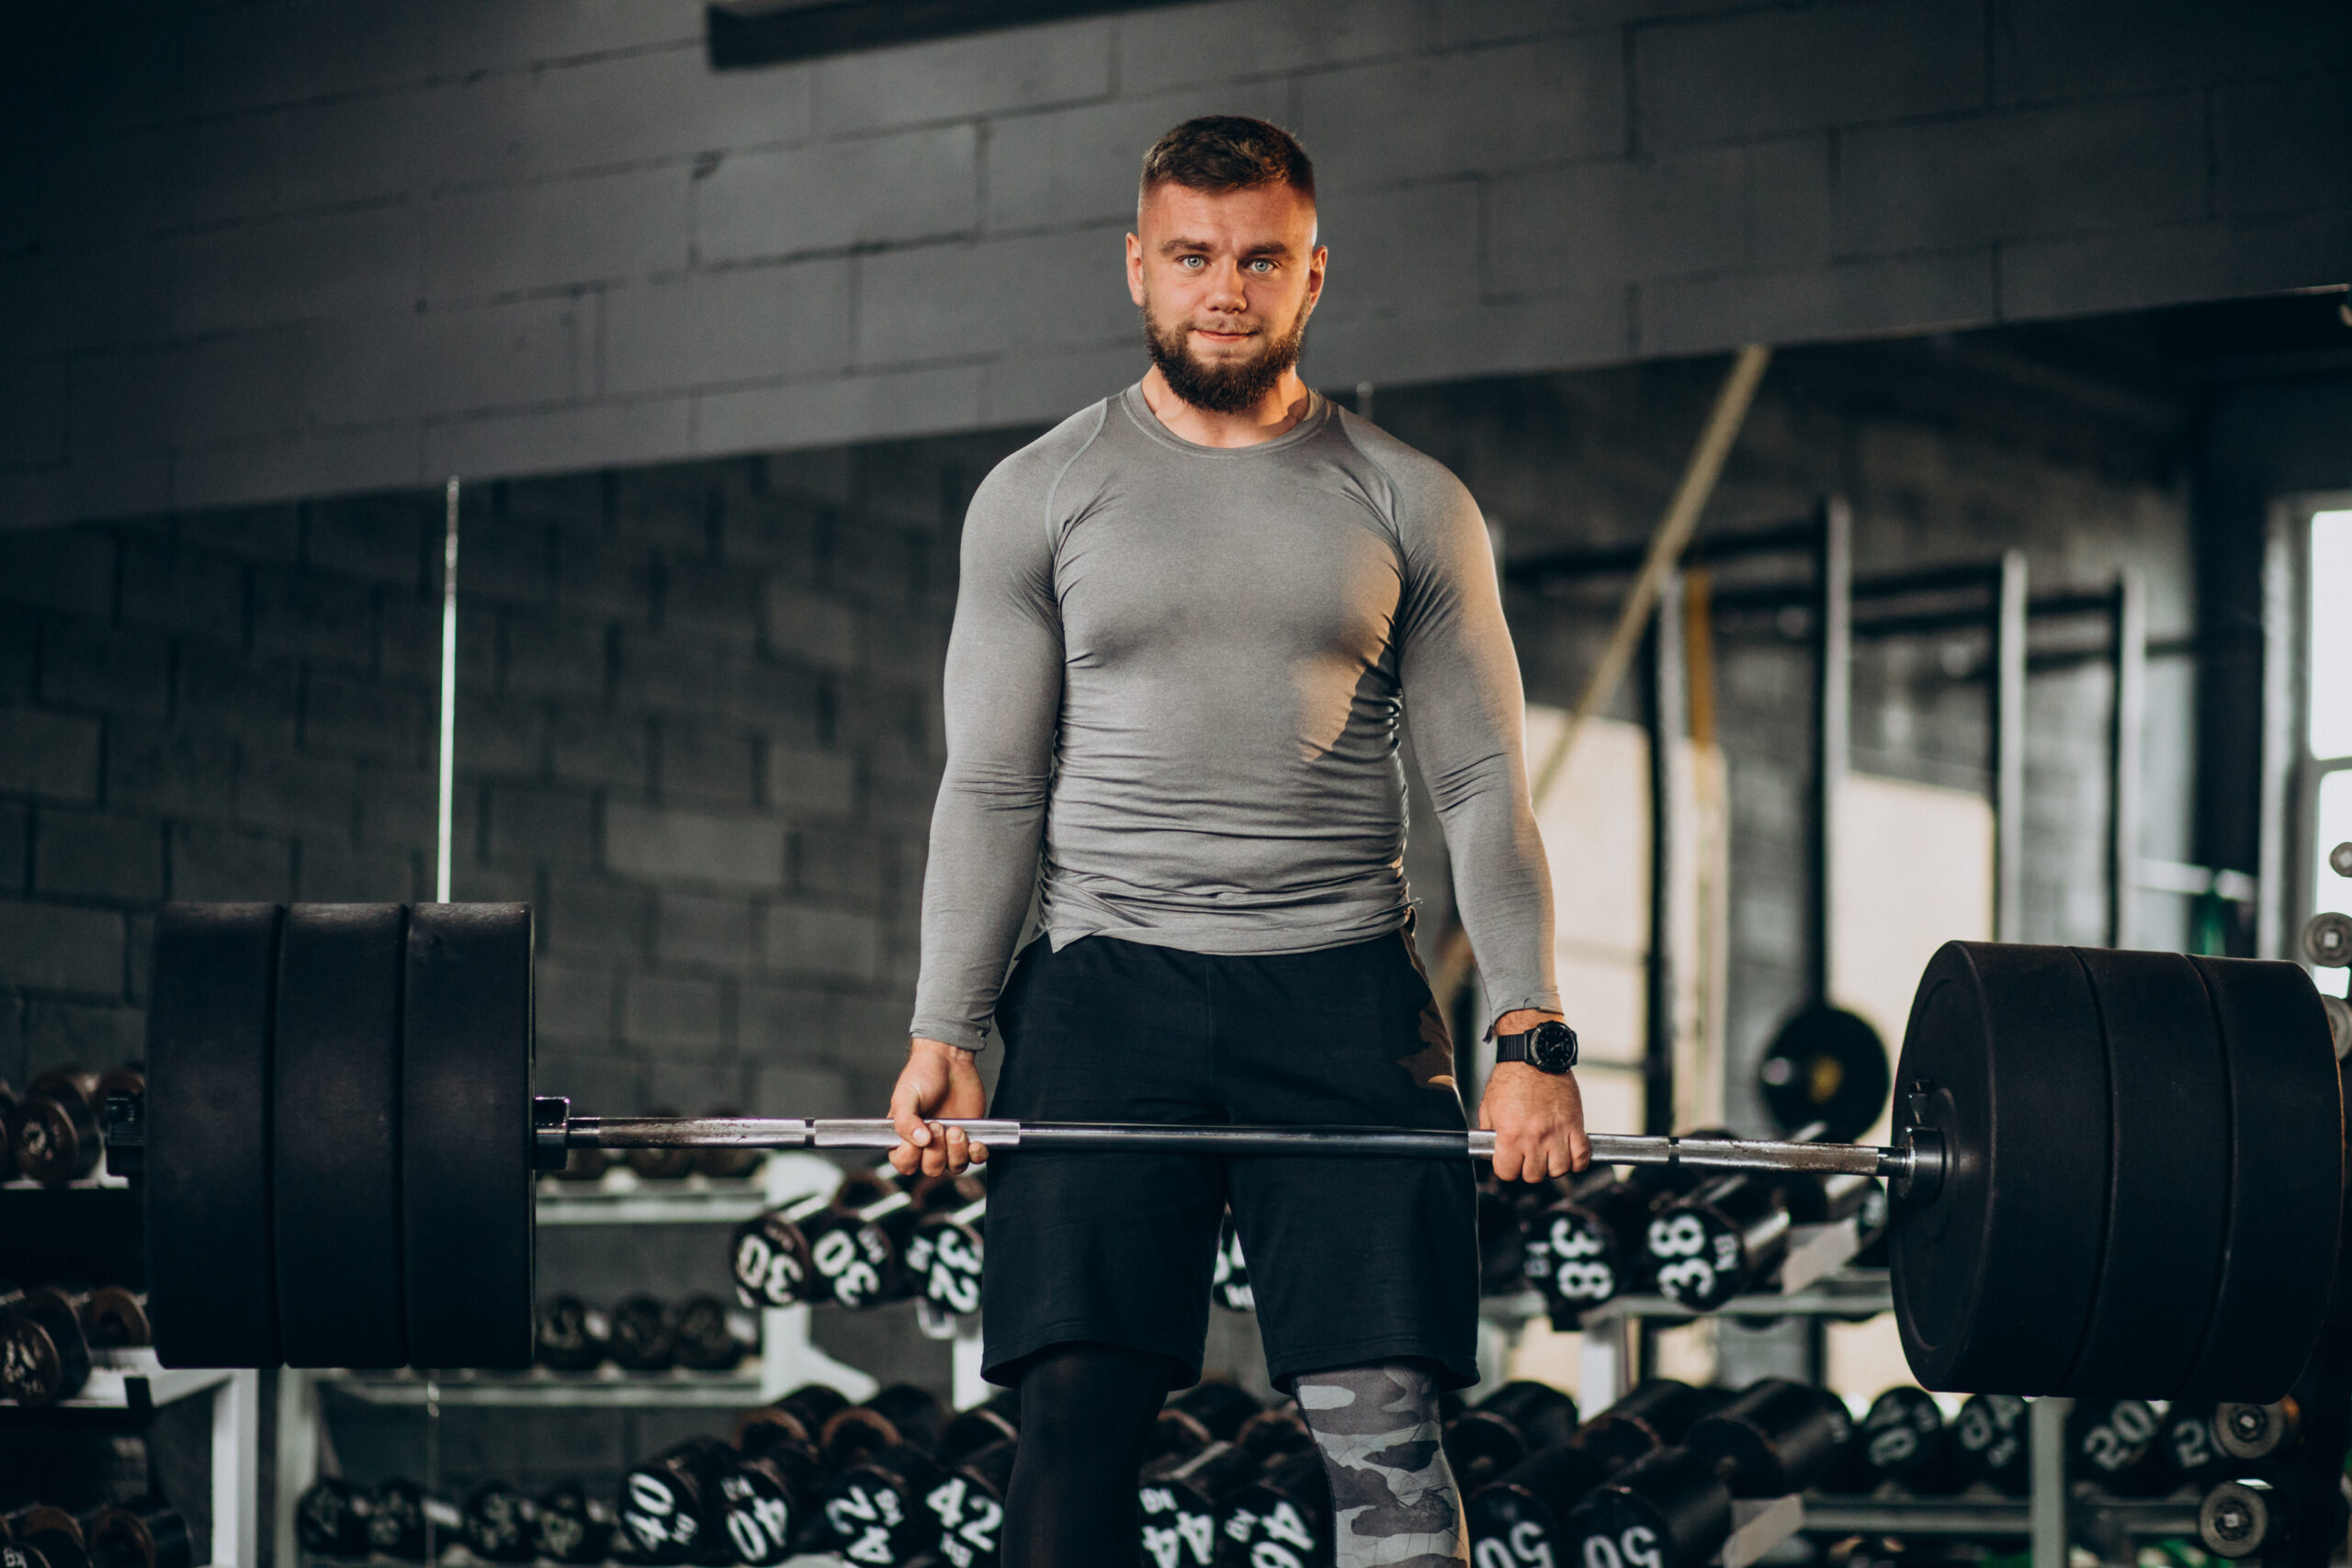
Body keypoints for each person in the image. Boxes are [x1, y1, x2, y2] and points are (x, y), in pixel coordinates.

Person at [885, 115, 1587, 1568]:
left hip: (1339, 996)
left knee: (1384, 1425)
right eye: (1193, 256)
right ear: (1136, 267)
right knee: (1071, 1420)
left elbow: (1478, 783)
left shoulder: (1409, 501)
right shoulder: (1039, 492)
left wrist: (1530, 1034)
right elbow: (995, 785)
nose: (1226, 288)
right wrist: (946, 1026)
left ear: (1312, 274)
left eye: (1261, 258)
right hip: (1102, 992)